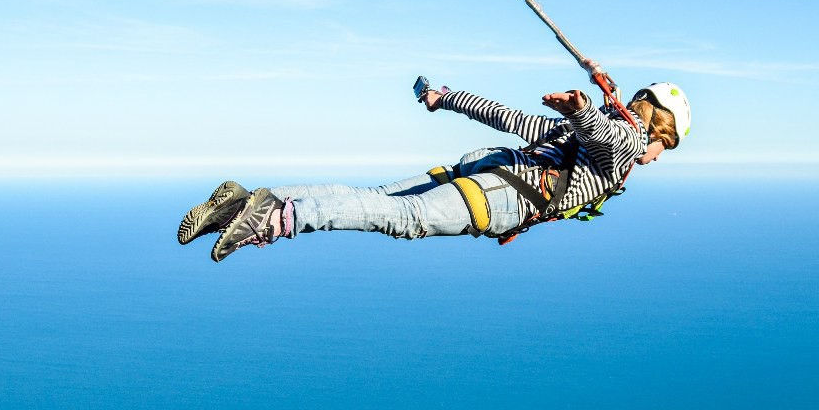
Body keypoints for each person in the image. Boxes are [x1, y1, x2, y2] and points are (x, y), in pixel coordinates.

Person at [177, 82, 691, 262]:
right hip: (507, 193)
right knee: (402, 218)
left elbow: (513, 119)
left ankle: (245, 200)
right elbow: (615, 141)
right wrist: (583, 111)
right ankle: (267, 217)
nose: (659, 155)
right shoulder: (624, 144)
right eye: (667, 143)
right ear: (657, 127)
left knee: (373, 197)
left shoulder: (587, 131)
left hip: (492, 165)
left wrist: (447, 99)